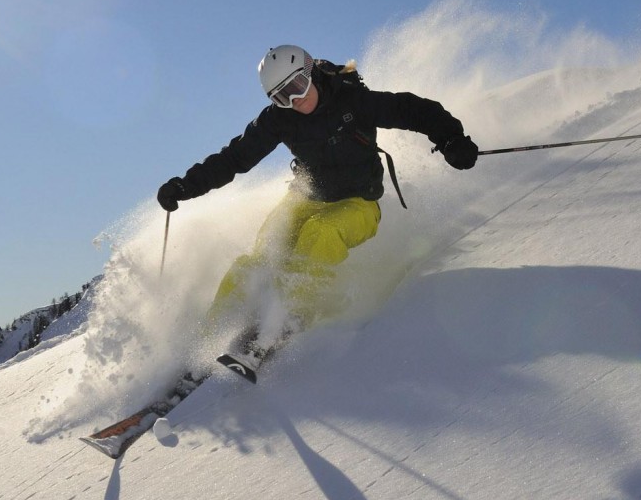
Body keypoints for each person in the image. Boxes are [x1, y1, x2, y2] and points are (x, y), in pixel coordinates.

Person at [157, 44, 477, 361]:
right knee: (262, 256)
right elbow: (234, 157)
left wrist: (451, 138)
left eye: (297, 86)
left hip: (359, 203)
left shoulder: (353, 100)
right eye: (282, 97)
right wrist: (186, 186)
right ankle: (207, 342)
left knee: (320, 232)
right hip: (307, 197)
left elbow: (412, 110)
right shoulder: (279, 120)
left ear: (311, 72)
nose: (295, 100)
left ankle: (289, 317)